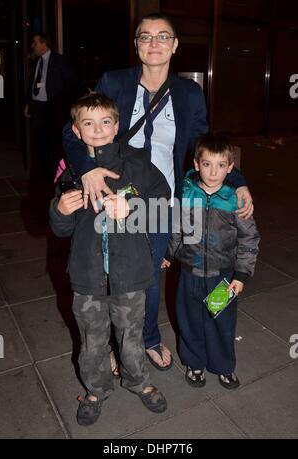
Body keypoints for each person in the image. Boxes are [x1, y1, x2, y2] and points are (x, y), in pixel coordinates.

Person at [62, 13, 254, 371]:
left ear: (175, 45)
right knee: (107, 273)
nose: (154, 44)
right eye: (145, 37)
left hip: (159, 202)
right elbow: (72, 131)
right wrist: (87, 170)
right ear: (136, 45)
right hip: (113, 195)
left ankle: (146, 337)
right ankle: (109, 344)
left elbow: (204, 146)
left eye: (162, 37)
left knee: (147, 276)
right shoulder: (113, 81)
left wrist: (236, 179)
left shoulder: (188, 93)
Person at [49, 92, 171, 426]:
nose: (98, 129)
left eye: (105, 122)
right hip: (87, 276)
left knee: (131, 334)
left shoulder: (136, 163)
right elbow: (60, 229)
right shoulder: (70, 171)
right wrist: (59, 210)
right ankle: (96, 389)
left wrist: (133, 208)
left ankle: (138, 381)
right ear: (76, 131)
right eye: (88, 123)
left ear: (117, 125)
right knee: (92, 340)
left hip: (130, 274)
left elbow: (163, 203)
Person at [162, 134, 260, 389]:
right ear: (196, 164)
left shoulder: (236, 200)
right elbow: (177, 228)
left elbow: (249, 239)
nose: (213, 172)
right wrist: (167, 253)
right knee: (190, 321)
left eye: (220, 166)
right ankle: (194, 363)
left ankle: (223, 366)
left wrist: (241, 275)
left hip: (222, 277)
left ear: (230, 168)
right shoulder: (186, 192)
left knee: (221, 323)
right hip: (189, 273)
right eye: (207, 164)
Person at [24, 32, 77, 179]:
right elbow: (32, 84)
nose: (32, 45)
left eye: (35, 43)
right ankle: (40, 170)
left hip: (52, 107)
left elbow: (71, 81)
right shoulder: (37, 61)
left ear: (43, 43)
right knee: (38, 140)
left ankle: (55, 171)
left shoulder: (58, 60)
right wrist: (28, 103)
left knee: (53, 139)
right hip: (37, 107)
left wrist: (63, 102)